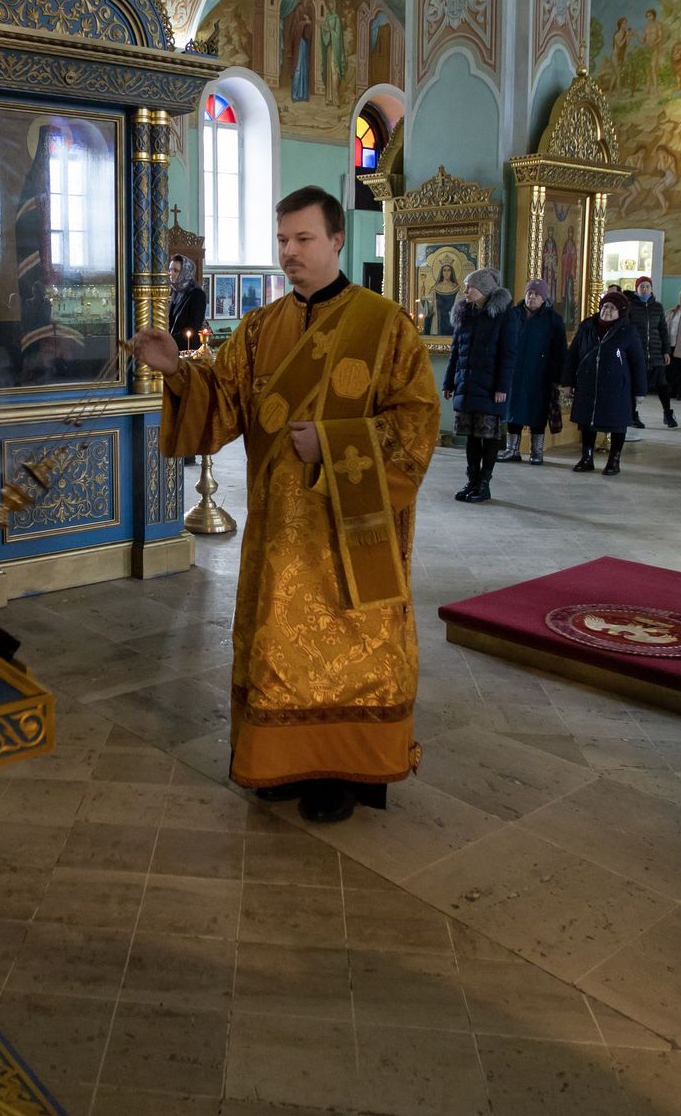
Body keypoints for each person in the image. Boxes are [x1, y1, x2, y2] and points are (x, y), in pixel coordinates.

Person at [131, 186, 437, 826]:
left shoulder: (385, 327)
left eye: (303, 239)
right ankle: (280, 759)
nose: (290, 252)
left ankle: (342, 769)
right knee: (278, 641)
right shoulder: (260, 328)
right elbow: (225, 403)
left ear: (336, 240)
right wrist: (178, 371)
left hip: (352, 529)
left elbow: (415, 427)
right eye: (282, 241)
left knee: (352, 646)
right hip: (279, 530)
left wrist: (332, 440)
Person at [442, 267, 514, 502]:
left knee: (489, 436)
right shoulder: (464, 313)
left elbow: (508, 354)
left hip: (491, 387)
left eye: (470, 287)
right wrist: (449, 382)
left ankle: (484, 483)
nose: (465, 291)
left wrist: (502, 387)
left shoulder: (503, 316)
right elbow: (456, 352)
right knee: (471, 437)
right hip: (467, 384)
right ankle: (472, 480)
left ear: (483, 289)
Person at [564, 290, 647, 474]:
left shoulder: (628, 331)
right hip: (588, 384)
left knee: (617, 423)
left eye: (612, 308)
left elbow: (638, 362)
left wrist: (640, 390)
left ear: (621, 312)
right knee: (587, 422)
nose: (607, 311)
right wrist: (568, 382)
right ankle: (586, 458)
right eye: (605, 306)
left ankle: (614, 461)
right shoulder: (587, 327)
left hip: (616, 387)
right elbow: (573, 355)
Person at [498, 278, 567, 465]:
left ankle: (537, 451)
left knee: (538, 413)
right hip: (515, 372)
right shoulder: (513, 314)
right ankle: (512, 449)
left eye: (537, 294)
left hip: (541, 375)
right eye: (530, 293)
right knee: (513, 411)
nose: (532, 297)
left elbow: (560, 350)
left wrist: (558, 377)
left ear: (544, 298)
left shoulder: (553, 319)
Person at [624, 275, 677, 428]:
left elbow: (663, 331)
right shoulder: (631, 307)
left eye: (647, 286)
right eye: (642, 287)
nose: (645, 289)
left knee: (662, 384)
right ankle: (632, 415)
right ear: (637, 289)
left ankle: (668, 414)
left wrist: (666, 351)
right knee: (635, 385)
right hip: (637, 353)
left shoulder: (657, 307)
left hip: (656, 352)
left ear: (651, 288)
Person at [166, 255, 207, 351]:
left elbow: (193, 328)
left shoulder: (197, 294)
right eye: (170, 270)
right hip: (173, 347)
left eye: (175, 270)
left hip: (188, 349)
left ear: (185, 272)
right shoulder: (176, 291)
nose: (171, 273)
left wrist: (169, 340)